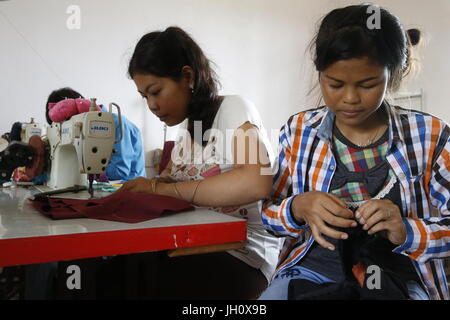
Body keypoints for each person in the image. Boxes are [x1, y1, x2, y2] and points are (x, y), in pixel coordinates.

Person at [259, 4, 449, 300]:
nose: (349, 98)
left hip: (396, 277)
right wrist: (298, 206)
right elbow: (268, 216)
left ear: (394, 74)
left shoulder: (430, 136)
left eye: (368, 84)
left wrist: (406, 231)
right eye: (334, 84)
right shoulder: (299, 132)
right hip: (310, 273)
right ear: (319, 72)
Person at [119, 26, 283, 299]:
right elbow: (169, 181)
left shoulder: (233, 109)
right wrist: (150, 185)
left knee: (147, 284)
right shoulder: (186, 131)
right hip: (195, 243)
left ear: (187, 76)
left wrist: (162, 189)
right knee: (122, 271)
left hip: (243, 253)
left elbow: (257, 181)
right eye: (144, 97)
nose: (151, 105)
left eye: (156, 91)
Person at [45, 87, 146, 181]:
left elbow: (119, 171)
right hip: (107, 188)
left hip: (131, 189)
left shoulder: (116, 123)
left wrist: (84, 173)